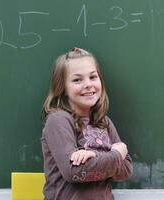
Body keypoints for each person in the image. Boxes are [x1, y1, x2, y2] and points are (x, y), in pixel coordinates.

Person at [41, 47, 133, 200]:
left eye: (93, 77)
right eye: (77, 80)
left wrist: (93, 156)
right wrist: (115, 154)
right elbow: (74, 172)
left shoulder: (104, 122)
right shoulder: (58, 120)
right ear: (63, 88)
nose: (88, 84)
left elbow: (126, 170)